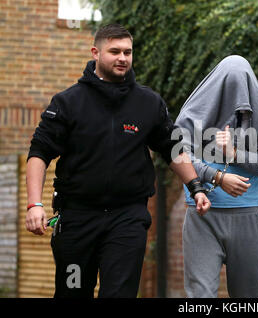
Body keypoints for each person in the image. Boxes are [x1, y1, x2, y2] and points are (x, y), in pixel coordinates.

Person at [25, 24, 210, 298]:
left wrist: (195, 185)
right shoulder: (67, 102)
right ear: (95, 53)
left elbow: (173, 149)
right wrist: (34, 204)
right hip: (77, 221)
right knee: (72, 292)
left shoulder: (148, 103)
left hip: (127, 219)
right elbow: (39, 152)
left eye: (127, 52)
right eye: (114, 51)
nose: (122, 58)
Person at [175, 55, 258, 298]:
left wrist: (234, 153)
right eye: (230, 89)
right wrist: (217, 177)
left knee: (251, 297)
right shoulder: (191, 117)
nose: (239, 103)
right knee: (200, 296)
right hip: (203, 216)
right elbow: (179, 157)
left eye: (245, 91)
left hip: (248, 217)